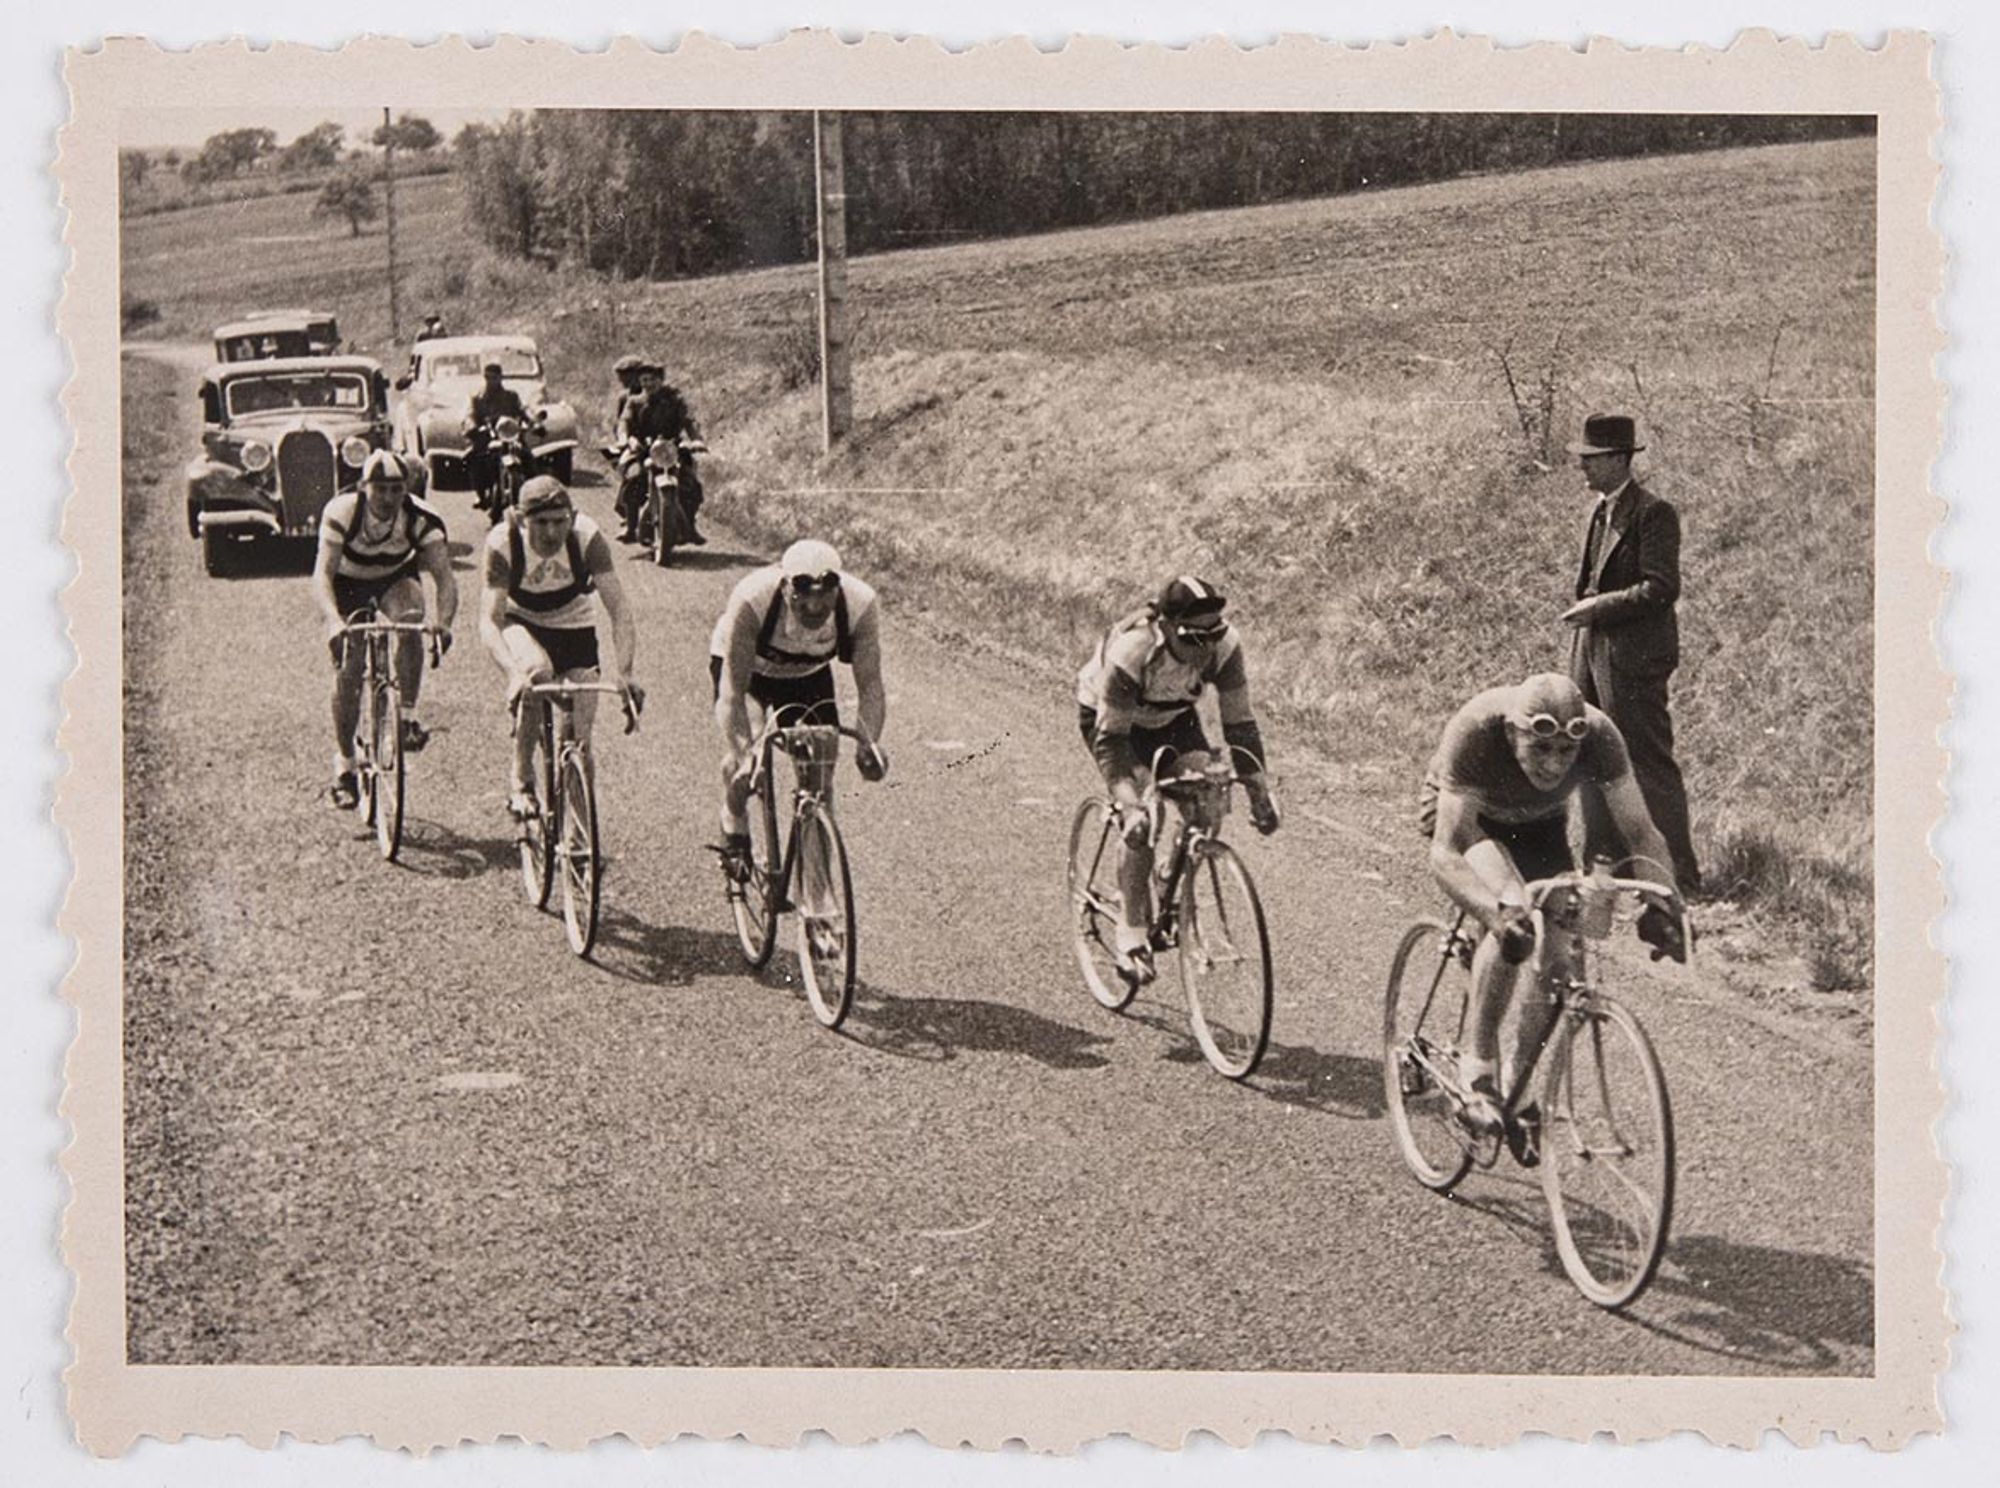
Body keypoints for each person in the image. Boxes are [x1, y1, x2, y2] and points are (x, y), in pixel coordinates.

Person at [1421, 672, 1686, 1148]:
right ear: (1511, 733)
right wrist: (1498, 916)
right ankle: (1477, 1072)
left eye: (1566, 752)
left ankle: (1517, 1086)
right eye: (1540, 749)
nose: (1553, 764)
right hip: (1469, 823)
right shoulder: (1477, 727)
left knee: (1559, 953)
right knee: (1516, 913)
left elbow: (1642, 832)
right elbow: (1446, 851)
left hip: (1539, 826)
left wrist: (1662, 904)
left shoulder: (1601, 737)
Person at [1074, 576, 1280, 984]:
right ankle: (1131, 935)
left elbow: (1240, 726)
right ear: (1166, 627)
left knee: (1210, 795)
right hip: (1116, 727)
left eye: (1213, 634)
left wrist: (1259, 790)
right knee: (1145, 821)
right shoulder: (1133, 651)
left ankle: (1169, 874)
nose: (1205, 648)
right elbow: (1111, 743)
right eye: (1193, 637)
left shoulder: (1225, 646)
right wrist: (1130, 805)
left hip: (1172, 719)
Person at [1561, 412, 1702, 893]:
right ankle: (1606, 863)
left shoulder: (1653, 513)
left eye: (1591, 460)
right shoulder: (1599, 511)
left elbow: (1661, 588)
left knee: (1645, 759)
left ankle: (1677, 875)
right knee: (1590, 751)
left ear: (1620, 459)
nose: (1582, 468)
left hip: (1634, 659)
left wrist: (1599, 606)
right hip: (1592, 651)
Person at [710, 540, 888, 902]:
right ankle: (733, 819)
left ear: (838, 589)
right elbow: (732, 692)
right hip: (750, 677)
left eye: (824, 599)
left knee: (820, 784)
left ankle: (818, 907)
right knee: (752, 751)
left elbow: (870, 686)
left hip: (806, 676)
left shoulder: (860, 604)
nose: (813, 608)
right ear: (785, 586)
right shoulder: (752, 599)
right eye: (802, 599)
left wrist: (869, 742)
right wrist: (745, 751)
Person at [477, 475, 640, 820]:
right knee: (535, 674)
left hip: (572, 624)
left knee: (581, 734)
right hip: (520, 621)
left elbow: (620, 610)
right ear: (522, 520)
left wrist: (625, 673)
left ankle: (581, 830)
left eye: (559, 522)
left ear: (572, 516)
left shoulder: (586, 537)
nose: (551, 534)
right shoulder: (503, 541)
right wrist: (512, 674)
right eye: (541, 523)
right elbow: (489, 621)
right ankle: (521, 780)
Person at [311, 449, 457, 808]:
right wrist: (333, 620)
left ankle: (405, 717)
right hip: (348, 582)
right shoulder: (342, 511)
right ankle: (345, 766)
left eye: (396, 489)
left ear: (406, 488)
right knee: (349, 668)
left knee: (410, 619)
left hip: (394, 577)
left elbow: (445, 579)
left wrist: (443, 624)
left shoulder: (423, 518)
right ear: (364, 487)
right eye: (380, 489)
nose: (388, 498)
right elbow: (323, 574)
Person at [615, 361, 705, 545]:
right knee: (632, 479)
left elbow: (689, 420)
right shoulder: (635, 401)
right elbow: (624, 422)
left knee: (691, 483)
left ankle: (691, 526)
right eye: (644, 380)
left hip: (671, 449)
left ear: (661, 380)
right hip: (643, 449)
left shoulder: (674, 399)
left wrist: (696, 439)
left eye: (652, 380)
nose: (648, 384)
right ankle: (631, 526)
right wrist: (627, 439)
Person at [464, 360, 528, 512]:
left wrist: (533, 422)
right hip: (487, 437)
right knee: (473, 458)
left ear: (501, 378)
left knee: (529, 458)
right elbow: (470, 414)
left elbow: (523, 410)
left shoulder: (511, 396)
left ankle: (531, 494)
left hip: (510, 436)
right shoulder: (477, 398)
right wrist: (472, 427)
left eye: (494, 377)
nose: (491, 381)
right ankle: (480, 494)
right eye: (488, 377)